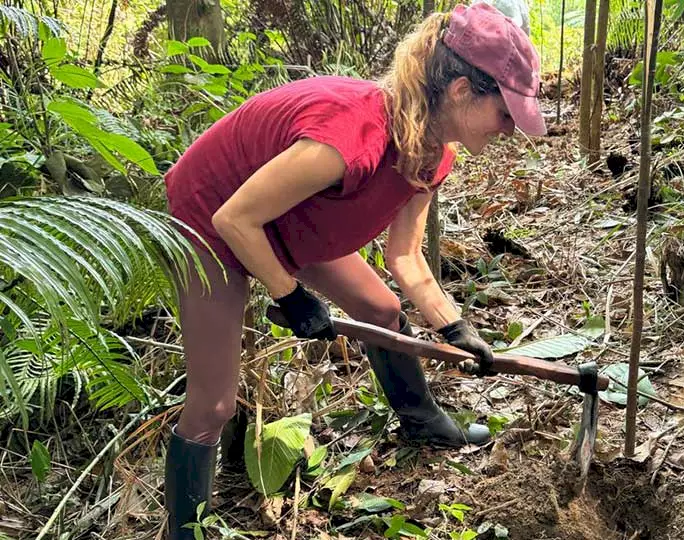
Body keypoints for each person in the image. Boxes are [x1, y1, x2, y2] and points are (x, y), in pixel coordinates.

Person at [161, 3, 546, 538]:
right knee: (215, 401)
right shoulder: (349, 137)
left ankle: (423, 422)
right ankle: (186, 531)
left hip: (287, 217)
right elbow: (235, 218)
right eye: (505, 113)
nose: (509, 129)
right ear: (461, 91)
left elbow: (406, 257)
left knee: (383, 310)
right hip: (214, 215)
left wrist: (456, 330)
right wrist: (290, 295)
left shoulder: (434, 154)